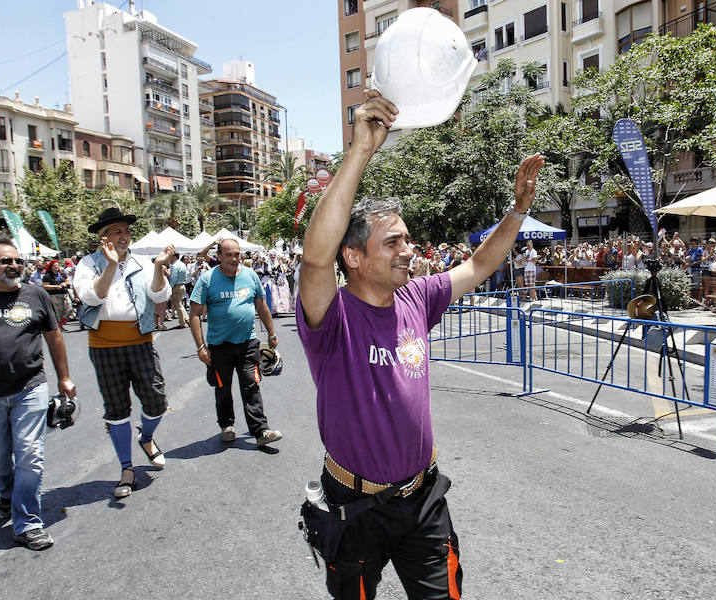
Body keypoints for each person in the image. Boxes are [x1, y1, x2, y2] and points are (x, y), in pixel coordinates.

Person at [296, 89, 543, 600]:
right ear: (354, 258)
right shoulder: (332, 316)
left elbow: (477, 265)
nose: (409, 251)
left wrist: (517, 211)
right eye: (393, 243)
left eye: (408, 240)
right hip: (355, 506)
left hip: (424, 496)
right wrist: (360, 152)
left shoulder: (417, 297)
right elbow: (315, 259)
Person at [0, 236, 76, 550]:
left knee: (30, 456)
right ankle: (7, 494)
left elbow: (54, 336)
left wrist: (64, 377)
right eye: (5, 261)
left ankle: (28, 523)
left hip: (29, 388)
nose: (15, 266)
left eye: (17, 260)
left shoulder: (35, 295)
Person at [73, 207, 176, 499]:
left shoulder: (143, 262)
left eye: (126, 231)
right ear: (103, 237)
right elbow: (92, 297)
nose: (124, 236)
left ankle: (146, 437)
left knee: (156, 401)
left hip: (140, 341)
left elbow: (160, 296)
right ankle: (126, 468)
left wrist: (158, 267)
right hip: (104, 345)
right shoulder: (88, 264)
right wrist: (110, 265)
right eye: (117, 231)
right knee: (117, 410)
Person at [188, 238, 283, 446]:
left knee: (251, 386)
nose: (234, 258)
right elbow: (194, 314)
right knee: (222, 388)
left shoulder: (250, 276)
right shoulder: (207, 280)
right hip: (219, 347)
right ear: (219, 256)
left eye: (237, 254)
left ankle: (261, 431)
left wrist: (271, 333)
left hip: (248, 344)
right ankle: (227, 425)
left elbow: (261, 305)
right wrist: (201, 347)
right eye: (229, 254)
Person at [42, 259, 75, 327]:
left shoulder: (62, 274)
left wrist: (65, 284)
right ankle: (59, 326)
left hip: (64, 294)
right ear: (51, 266)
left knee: (70, 308)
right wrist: (56, 286)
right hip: (54, 295)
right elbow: (45, 286)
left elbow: (68, 282)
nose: (56, 266)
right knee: (58, 311)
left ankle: (62, 321)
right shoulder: (48, 276)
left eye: (58, 265)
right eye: (55, 265)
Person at [167, 251, 189, 329]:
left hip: (176, 286)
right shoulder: (182, 264)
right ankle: (186, 319)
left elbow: (173, 278)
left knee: (177, 304)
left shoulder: (174, 265)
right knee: (180, 304)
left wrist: (170, 287)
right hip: (182, 285)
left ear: (174, 256)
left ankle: (182, 322)